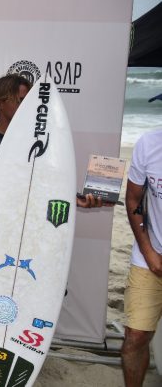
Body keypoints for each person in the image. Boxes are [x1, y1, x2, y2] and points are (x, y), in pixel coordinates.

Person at [0, 74, 105, 256]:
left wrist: (74, 198)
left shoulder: (44, 144)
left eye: (29, 101)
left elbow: (49, 186)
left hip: (35, 236)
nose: (27, 106)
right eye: (20, 101)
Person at [121, 128, 162, 387]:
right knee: (135, 337)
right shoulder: (149, 143)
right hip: (150, 258)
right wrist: (149, 253)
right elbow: (133, 198)